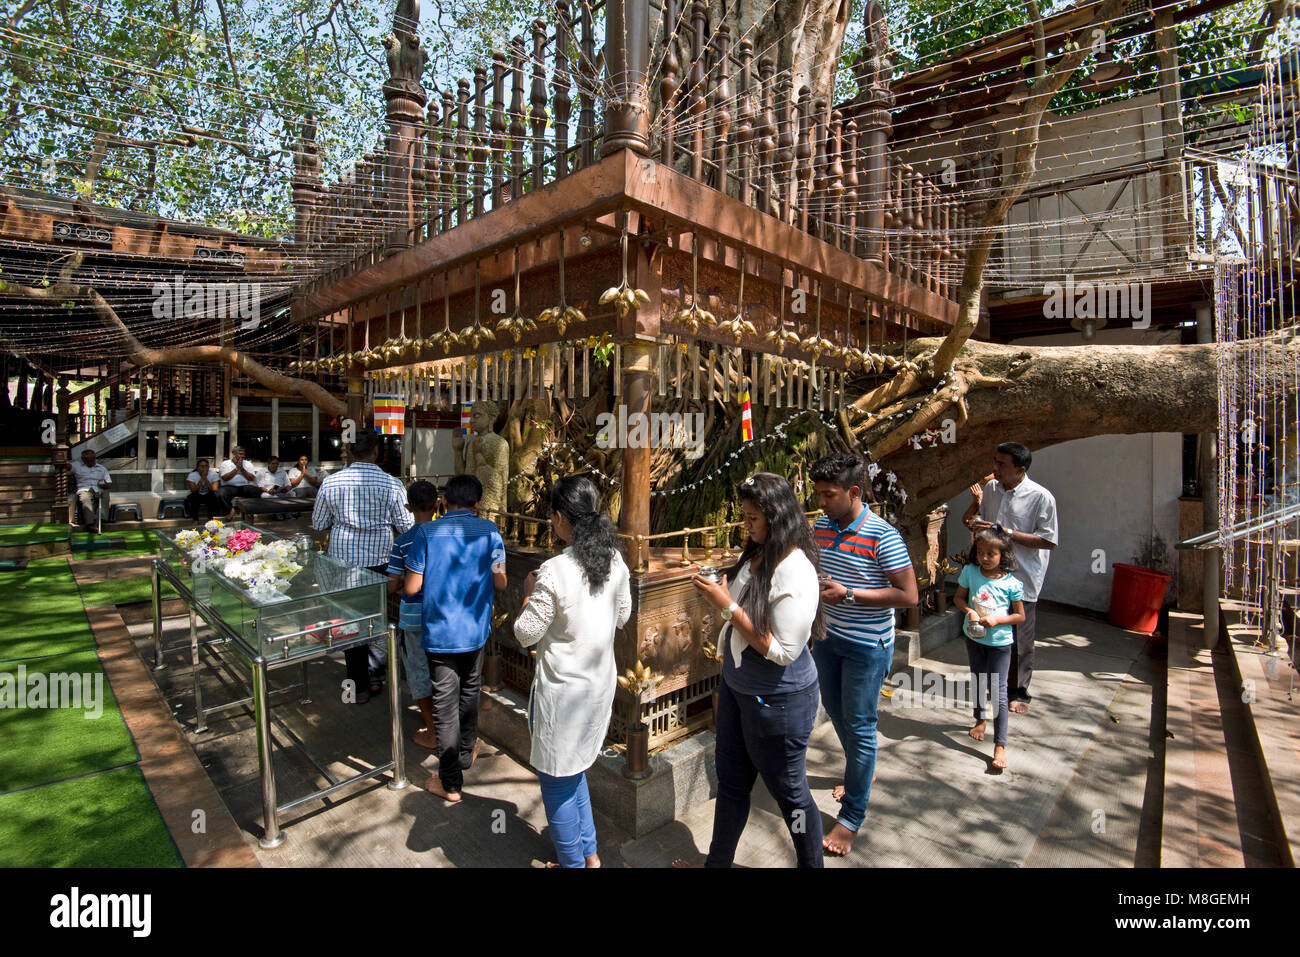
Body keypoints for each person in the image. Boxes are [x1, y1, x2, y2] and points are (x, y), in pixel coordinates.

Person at [685, 472, 825, 868]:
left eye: (752, 518)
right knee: (730, 784)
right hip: (737, 685)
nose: (745, 525)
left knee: (791, 794)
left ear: (776, 517)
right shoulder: (757, 551)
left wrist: (726, 605)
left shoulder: (795, 571)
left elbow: (782, 650)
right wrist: (724, 593)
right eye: (744, 517)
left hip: (777, 700)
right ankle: (717, 863)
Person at [514, 475, 631, 868]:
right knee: (574, 769)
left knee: (556, 781)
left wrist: (529, 593)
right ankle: (589, 853)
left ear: (561, 517)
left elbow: (526, 634)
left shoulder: (554, 570)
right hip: (598, 688)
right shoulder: (615, 559)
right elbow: (624, 615)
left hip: (563, 695)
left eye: (552, 516)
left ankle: (572, 863)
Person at [809, 452, 918, 857]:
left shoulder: (882, 535)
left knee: (859, 723)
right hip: (828, 639)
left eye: (829, 495)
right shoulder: (822, 526)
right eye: (818, 494)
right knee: (838, 714)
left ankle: (852, 817)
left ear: (854, 492)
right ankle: (861, 770)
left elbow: (908, 595)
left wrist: (849, 593)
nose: (821, 502)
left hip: (867, 647)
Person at [403, 474, 506, 802]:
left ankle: (450, 783)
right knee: (470, 691)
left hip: (440, 633)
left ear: (444, 502)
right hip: (475, 631)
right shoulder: (490, 531)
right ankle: (464, 754)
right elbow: (501, 582)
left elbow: (411, 587)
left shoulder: (426, 533)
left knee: (445, 703)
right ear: (477, 505)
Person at [312, 430, 413, 704]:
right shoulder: (392, 484)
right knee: (377, 616)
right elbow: (406, 526)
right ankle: (376, 676)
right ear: (376, 452)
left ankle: (357, 687)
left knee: (348, 620)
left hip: (343, 560)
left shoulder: (331, 483)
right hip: (382, 560)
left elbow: (319, 524)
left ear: (351, 451)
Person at [962, 441, 1058, 714]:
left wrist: (1007, 532)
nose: (995, 469)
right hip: (990, 575)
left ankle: (1019, 692)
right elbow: (987, 525)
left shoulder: (1041, 497)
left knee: (1019, 636)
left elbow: (1048, 540)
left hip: (1021, 577)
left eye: (1001, 464)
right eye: (995, 461)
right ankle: (995, 683)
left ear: (1020, 469)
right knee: (988, 627)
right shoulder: (991, 489)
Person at [953, 528, 1025, 770]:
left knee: (999, 691)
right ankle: (980, 720)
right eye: (981, 552)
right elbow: (959, 598)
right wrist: (969, 611)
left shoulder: (1012, 583)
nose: (985, 558)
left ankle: (1000, 744)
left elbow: (1019, 616)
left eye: (991, 554)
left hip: (1000, 644)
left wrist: (997, 621)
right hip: (974, 638)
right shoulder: (970, 572)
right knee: (978, 681)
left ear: (1003, 555)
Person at [386, 480, 439, 749]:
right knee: (445, 673)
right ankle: (449, 728)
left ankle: (432, 730)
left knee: (419, 673)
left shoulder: (403, 541)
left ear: (407, 507)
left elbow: (394, 584)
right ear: (437, 504)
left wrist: (398, 584)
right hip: (442, 616)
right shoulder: (444, 536)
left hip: (413, 616)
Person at [451, 400, 509, 518]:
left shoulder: (499, 443)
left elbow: (498, 481)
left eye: (477, 416)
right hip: (468, 502)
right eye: (471, 416)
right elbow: (463, 477)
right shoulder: (471, 443)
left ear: (491, 418)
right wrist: (458, 451)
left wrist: (479, 456)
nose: (471, 420)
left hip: (488, 505)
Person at [70, 448, 111, 532]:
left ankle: (99, 520)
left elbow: (109, 483)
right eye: (88, 461)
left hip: (99, 489)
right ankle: (91, 523)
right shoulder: (77, 466)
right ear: (83, 460)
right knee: (85, 498)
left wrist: (103, 485)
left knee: (105, 495)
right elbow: (66, 466)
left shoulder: (102, 468)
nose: (91, 463)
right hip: (84, 489)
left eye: (92, 460)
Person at [218, 446, 261, 517]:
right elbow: (225, 478)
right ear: (234, 454)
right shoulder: (225, 463)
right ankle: (230, 510)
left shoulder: (248, 464)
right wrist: (237, 468)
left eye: (243, 454)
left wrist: (242, 469)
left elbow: (251, 478)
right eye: (240, 454)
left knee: (258, 491)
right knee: (220, 493)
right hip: (229, 487)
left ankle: (250, 511)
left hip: (244, 487)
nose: (242, 456)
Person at [256, 455, 292, 520]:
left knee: (291, 493)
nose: (275, 465)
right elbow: (260, 486)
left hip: (280, 491)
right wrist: (268, 491)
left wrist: (286, 489)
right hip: (267, 492)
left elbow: (288, 485)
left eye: (277, 464)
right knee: (271, 497)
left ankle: (288, 513)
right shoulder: (262, 472)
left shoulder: (282, 472)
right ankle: (279, 514)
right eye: (273, 463)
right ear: (269, 463)